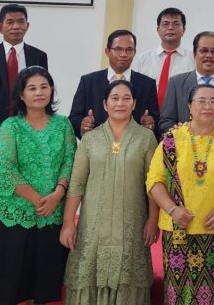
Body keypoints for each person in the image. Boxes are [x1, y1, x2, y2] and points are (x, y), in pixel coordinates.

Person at [0, 66, 75, 305]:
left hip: (52, 216)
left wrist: (57, 194)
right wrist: (38, 200)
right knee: (9, 290)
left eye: (44, 86)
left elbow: (71, 161)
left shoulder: (63, 125)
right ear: (21, 94)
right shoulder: (11, 126)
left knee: (43, 291)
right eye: (32, 88)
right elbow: (5, 169)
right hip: (16, 217)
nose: (39, 92)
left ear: (51, 90)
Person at [61, 80, 160, 304]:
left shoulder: (146, 139)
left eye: (126, 99)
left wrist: (153, 219)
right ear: (105, 104)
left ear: (134, 104)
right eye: (115, 98)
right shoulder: (90, 139)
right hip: (93, 224)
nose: (120, 103)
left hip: (132, 224)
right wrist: (68, 222)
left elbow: (153, 184)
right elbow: (77, 184)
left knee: (128, 276)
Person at [146, 84, 214, 305]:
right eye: (201, 101)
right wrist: (173, 210)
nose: (207, 106)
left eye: (213, 101)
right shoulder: (171, 139)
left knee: (210, 294)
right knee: (177, 294)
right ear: (189, 106)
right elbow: (154, 181)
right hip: (177, 230)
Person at [0, 3, 49, 135]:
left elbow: (43, 89)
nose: (16, 27)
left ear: (27, 26)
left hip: (30, 125)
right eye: (10, 22)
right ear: (0, 28)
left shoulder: (39, 56)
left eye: (21, 22)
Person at [69, 29, 159, 138]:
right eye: (118, 49)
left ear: (134, 52)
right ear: (107, 51)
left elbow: (155, 119)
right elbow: (74, 118)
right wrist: (83, 126)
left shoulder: (147, 84)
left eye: (129, 49)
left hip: (134, 148)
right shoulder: (88, 82)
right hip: (97, 146)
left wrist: (150, 124)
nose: (123, 54)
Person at [134, 7, 195, 110]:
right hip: (148, 116)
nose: (170, 28)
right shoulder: (144, 58)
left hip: (180, 117)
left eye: (176, 24)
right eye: (165, 24)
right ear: (158, 29)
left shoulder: (193, 59)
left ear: (184, 30)